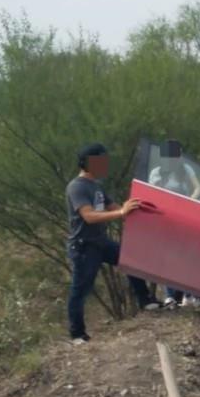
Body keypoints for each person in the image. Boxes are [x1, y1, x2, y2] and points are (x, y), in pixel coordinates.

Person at [65, 142, 155, 344]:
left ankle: (146, 300)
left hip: (100, 242)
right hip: (84, 246)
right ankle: (77, 334)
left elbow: (113, 206)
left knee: (131, 259)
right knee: (81, 288)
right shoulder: (77, 187)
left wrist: (134, 210)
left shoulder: (96, 186)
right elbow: (88, 216)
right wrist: (121, 213)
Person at [147, 156, 200, 309]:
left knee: (186, 255)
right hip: (165, 215)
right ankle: (170, 296)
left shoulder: (185, 169)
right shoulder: (157, 173)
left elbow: (198, 188)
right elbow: (154, 193)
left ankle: (189, 294)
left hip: (184, 213)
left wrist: (189, 200)